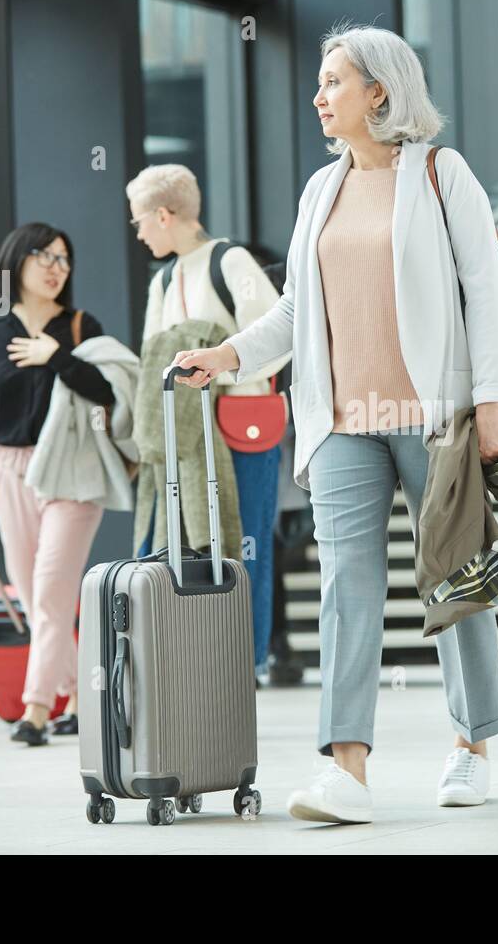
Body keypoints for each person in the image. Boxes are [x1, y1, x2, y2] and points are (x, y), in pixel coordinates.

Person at [166, 21, 498, 824]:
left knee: (453, 579)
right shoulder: (320, 191)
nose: (320, 96)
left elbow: (486, 293)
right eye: (321, 83)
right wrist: (229, 354)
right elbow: (296, 309)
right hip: (339, 422)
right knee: (345, 589)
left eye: (334, 81)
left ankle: (471, 746)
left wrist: (491, 402)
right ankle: (346, 768)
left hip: (433, 417)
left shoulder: (441, 175)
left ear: (380, 92)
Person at [0, 224, 115, 746]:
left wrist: (53, 357)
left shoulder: (80, 327)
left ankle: (34, 711)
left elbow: (107, 394)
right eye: (45, 256)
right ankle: (78, 696)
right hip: (8, 470)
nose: (57, 268)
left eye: (64, 259)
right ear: (17, 262)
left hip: (71, 473)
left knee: (52, 589)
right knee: (34, 595)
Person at [127, 164, 287, 684]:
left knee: (245, 547)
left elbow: (273, 343)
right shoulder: (163, 277)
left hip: (236, 428)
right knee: (191, 545)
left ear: (164, 215)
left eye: (140, 221)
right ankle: (204, 663)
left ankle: (246, 665)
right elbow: (152, 363)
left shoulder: (229, 259)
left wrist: (217, 369)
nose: (139, 232)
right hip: (187, 440)